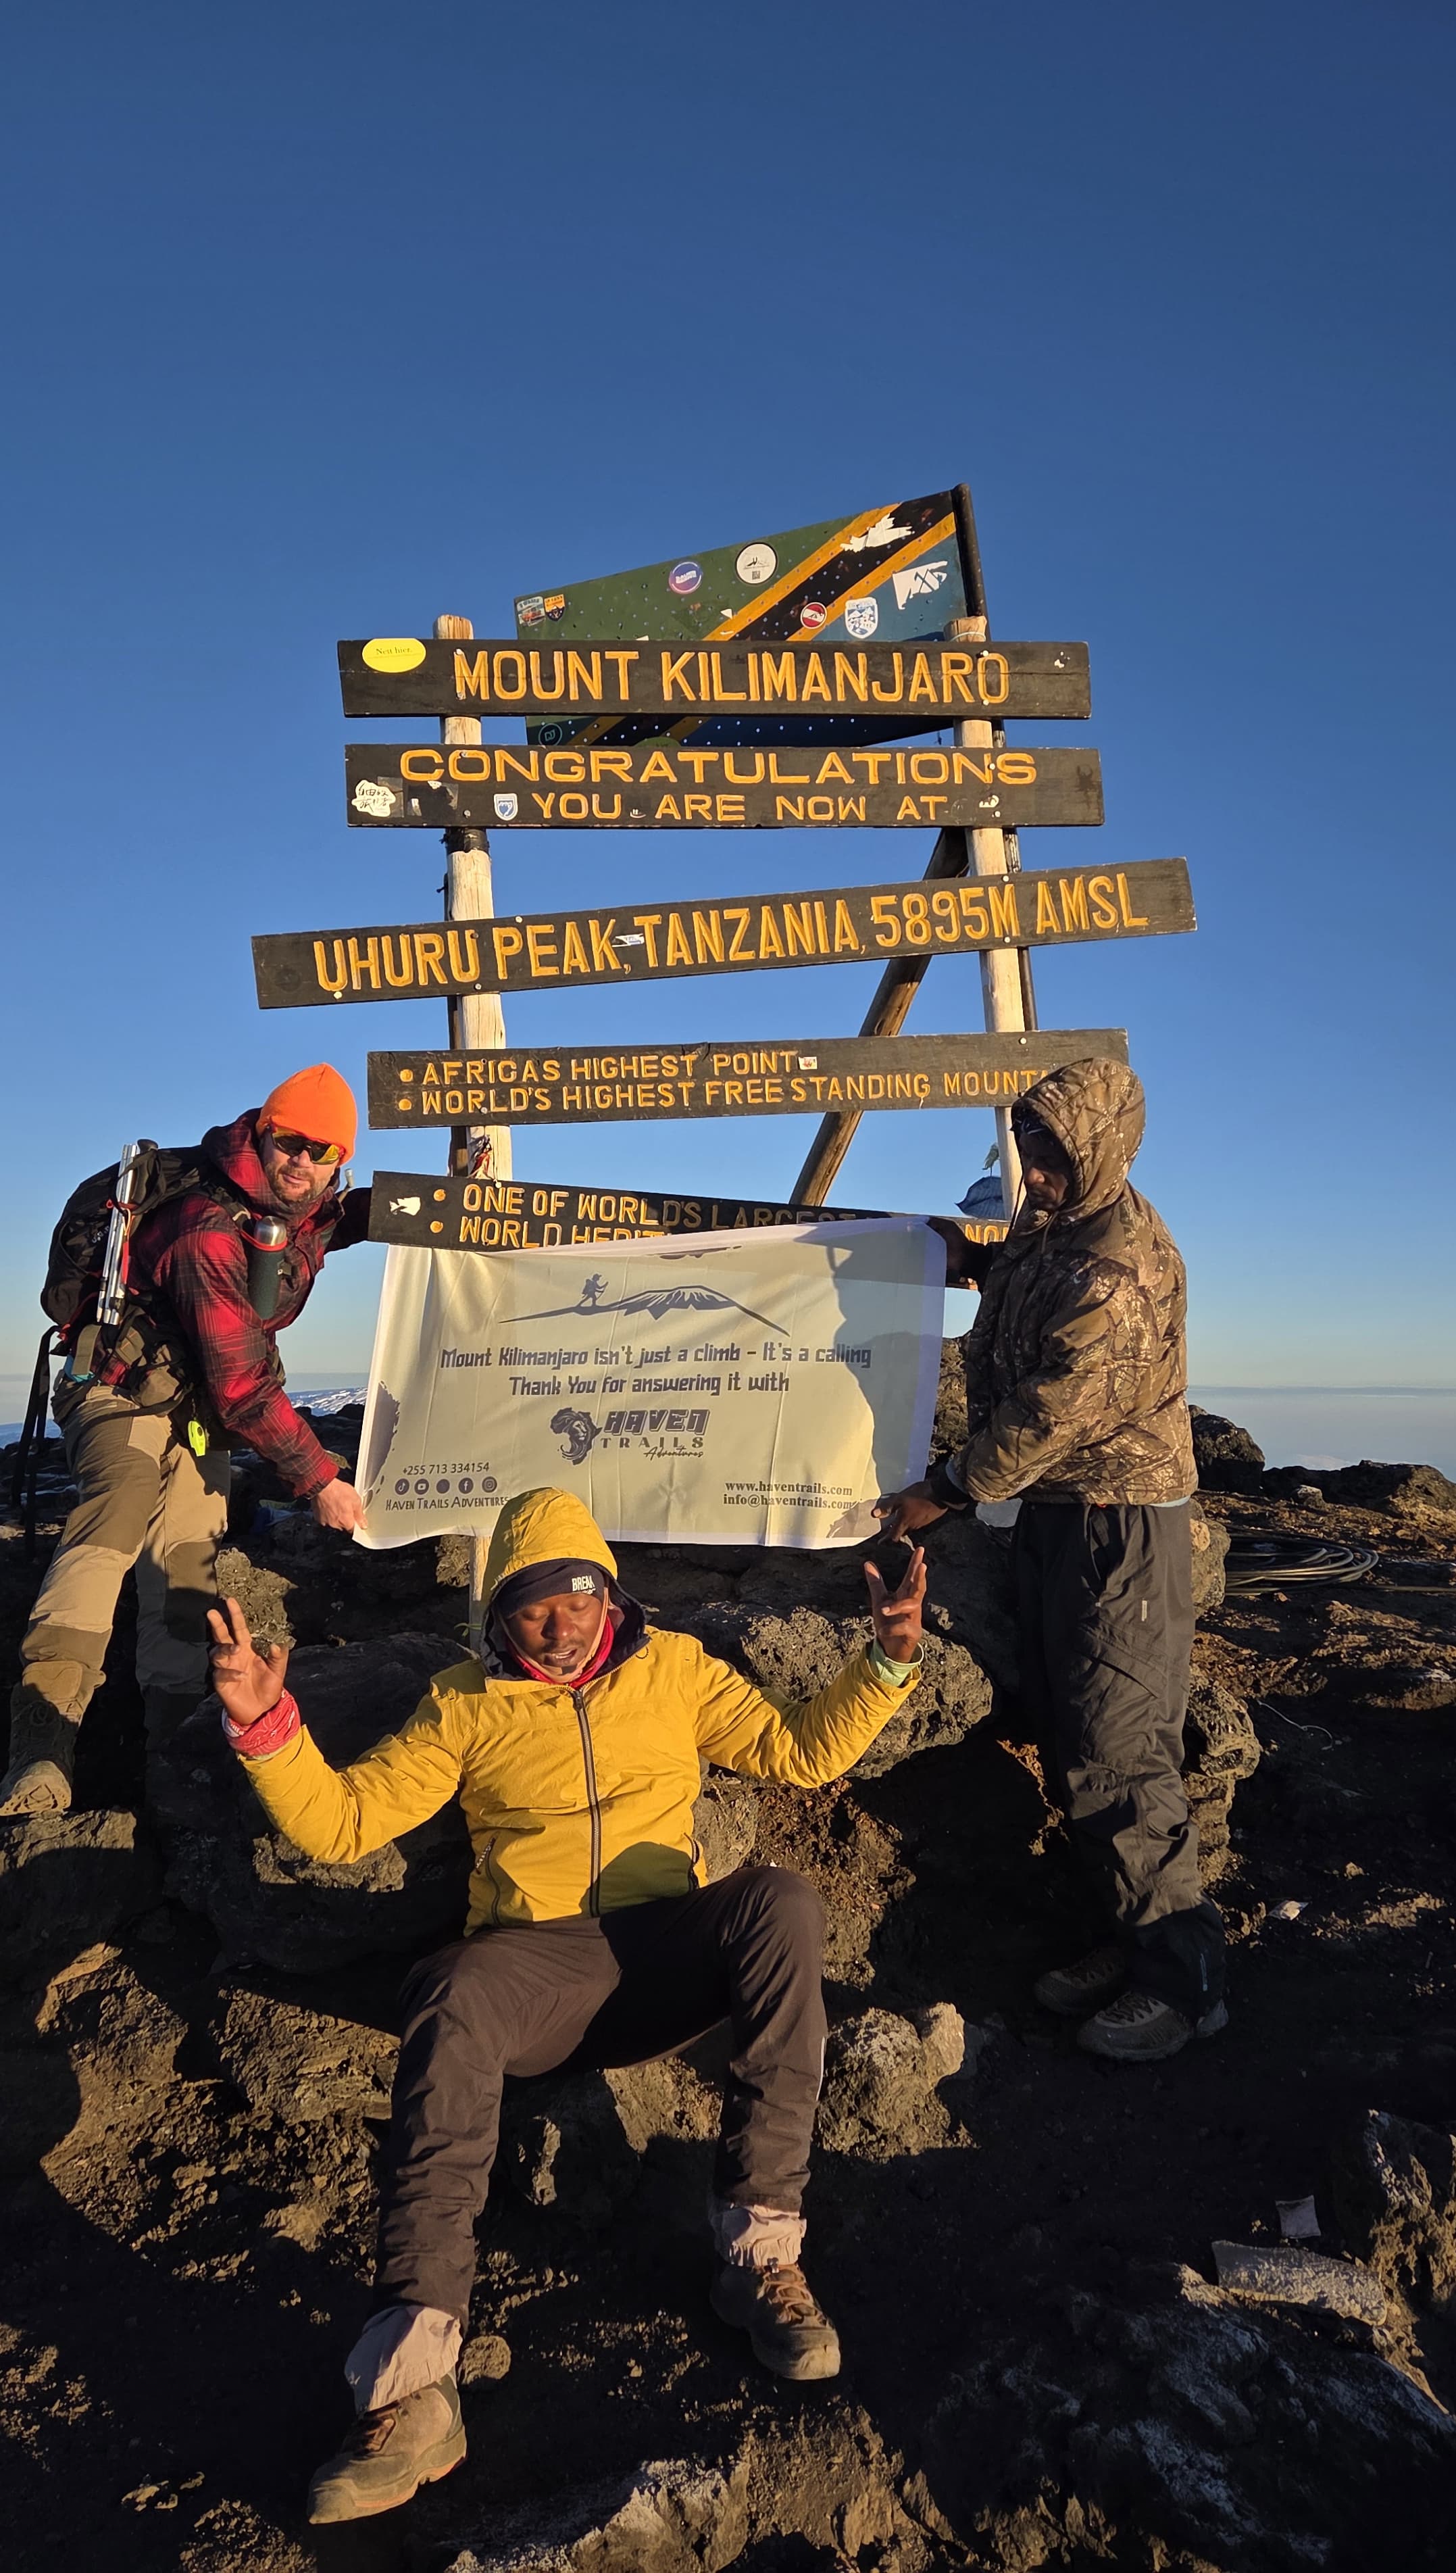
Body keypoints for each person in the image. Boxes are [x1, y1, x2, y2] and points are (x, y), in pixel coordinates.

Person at [208, 1484, 925, 2526]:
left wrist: (889, 1660)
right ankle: (414, 2386)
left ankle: (760, 2259)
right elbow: (346, 1824)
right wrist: (265, 1726)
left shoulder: (676, 1669)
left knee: (780, 1900)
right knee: (452, 1987)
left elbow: (801, 1752)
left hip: (665, 1961)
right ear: (498, 1615)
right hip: (533, 1980)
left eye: (579, 1596)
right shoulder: (463, 1703)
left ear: (610, 1593)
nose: (561, 1624)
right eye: (534, 1605)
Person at [878, 1057, 1226, 2064]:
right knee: (1071, 1730)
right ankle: (1122, 1936)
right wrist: (965, 1255)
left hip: (1119, 1529)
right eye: (1027, 1150)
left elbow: (1051, 1411)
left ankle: (1185, 1983)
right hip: (1060, 1516)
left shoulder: (1117, 1265)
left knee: (1119, 1745)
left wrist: (944, 1489)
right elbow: (1025, 1272)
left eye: (1054, 1157)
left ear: (1104, 1152)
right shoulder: (1058, 1226)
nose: (1033, 1173)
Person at [1, 1065, 372, 1815]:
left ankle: (169, 1756)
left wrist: (456, 1195)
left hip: (194, 1405)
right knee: (119, 1508)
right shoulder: (205, 1225)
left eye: (322, 1150)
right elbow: (242, 1385)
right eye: (288, 1141)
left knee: (187, 1560)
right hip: (117, 1387)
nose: (301, 1160)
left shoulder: (304, 1206)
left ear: (340, 1161)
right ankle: (42, 1743)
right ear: (261, 1133)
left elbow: (347, 1217)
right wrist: (318, 1480)